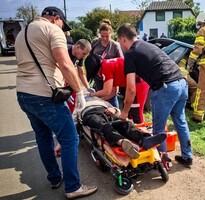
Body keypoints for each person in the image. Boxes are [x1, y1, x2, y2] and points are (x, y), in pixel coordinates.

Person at [14, 6, 97, 199]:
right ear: (56, 18)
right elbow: (65, 63)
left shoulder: (21, 34)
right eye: (63, 24)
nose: (64, 29)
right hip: (44, 96)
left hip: (23, 94)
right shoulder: (52, 30)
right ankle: (73, 187)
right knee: (69, 138)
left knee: (43, 137)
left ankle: (55, 178)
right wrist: (80, 93)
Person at [117, 23, 193, 168]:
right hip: (181, 82)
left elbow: (131, 89)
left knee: (158, 129)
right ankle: (187, 156)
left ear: (123, 39)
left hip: (165, 87)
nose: (120, 45)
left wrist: (125, 113)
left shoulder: (130, 54)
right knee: (180, 121)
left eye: (120, 41)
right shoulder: (147, 45)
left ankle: (163, 163)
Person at [73, 96, 167, 159]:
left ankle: (144, 140)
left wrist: (113, 110)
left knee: (124, 124)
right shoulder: (79, 104)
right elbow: (74, 120)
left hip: (105, 111)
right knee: (105, 127)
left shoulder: (101, 100)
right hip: (89, 114)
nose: (89, 97)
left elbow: (117, 110)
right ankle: (123, 142)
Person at [90, 57, 149, 124]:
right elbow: (113, 92)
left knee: (136, 111)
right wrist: (100, 100)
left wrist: (92, 95)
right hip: (133, 82)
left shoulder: (105, 68)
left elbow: (106, 91)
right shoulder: (107, 64)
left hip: (139, 82)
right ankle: (132, 128)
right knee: (129, 112)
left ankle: (141, 130)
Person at [86, 18, 123, 108]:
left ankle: (115, 111)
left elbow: (121, 60)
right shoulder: (95, 42)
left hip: (111, 75)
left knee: (111, 95)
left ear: (111, 34)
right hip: (98, 76)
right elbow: (90, 57)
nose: (104, 38)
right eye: (102, 36)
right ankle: (101, 109)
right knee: (100, 92)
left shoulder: (115, 45)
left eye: (107, 36)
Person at [66, 39, 94, 113]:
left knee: (73, 101)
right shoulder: (65, 51)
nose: (84, 56)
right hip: (57, 78)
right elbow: (60, 70)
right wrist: (62, 88)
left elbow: (81, 72)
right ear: (78, 47)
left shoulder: (79, 56)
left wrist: (87, 87)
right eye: (84, 53)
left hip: (68, 79)